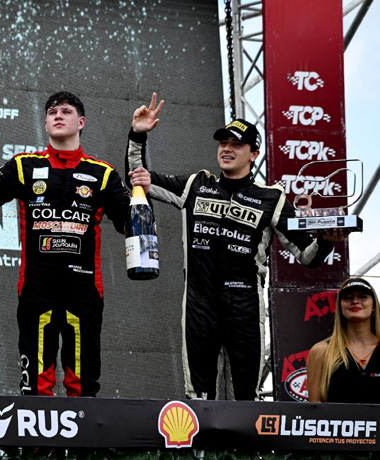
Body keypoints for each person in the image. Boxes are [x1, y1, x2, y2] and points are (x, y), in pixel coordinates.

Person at [125, 93, 349, 400]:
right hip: (199, 304)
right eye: (223, 143)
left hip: (245, 306)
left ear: (254, 153)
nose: (227, 149)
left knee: (245, 398)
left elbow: (307, 256)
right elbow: (137, 178)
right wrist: (137, 135)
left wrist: (326, 240)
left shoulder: (272, 198)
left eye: (237, 144)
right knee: (198, 396)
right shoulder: (196, 185)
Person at [0, 91, 149, 396]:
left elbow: (132, 224)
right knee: (35, 388)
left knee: (83, 388)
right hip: (37, 291)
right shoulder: (24, 166)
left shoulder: (102, 173)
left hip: (84, 293)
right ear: (45, 123)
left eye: (66, 111)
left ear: (81, 122)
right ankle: (37, 431)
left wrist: (140, 183)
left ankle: (81, 430)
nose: (58, 115)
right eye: (52, 112)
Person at [307, 278, 380, 403]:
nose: (355, 301)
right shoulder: (322, 351)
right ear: (340, 307)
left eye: (362, 297)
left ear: (374, 306)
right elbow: (314, 409)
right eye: (347, 298)